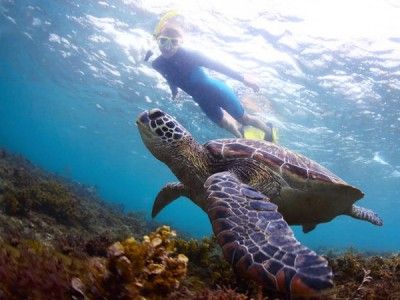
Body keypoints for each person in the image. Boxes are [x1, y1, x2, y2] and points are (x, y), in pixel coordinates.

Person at [149, 22, 275, 140]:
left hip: (218, 91)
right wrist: (174, 92)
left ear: (180, 43)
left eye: (174, 42)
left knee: (244, 119)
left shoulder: (190, 55)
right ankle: (243, 142)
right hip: (202, 100)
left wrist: (242, 79)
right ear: (157, 40)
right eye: (163, 41)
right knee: (226, 125)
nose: (168, 47)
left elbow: (218, 66)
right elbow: (169, 77)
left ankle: (268, 131)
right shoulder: (157, 64)